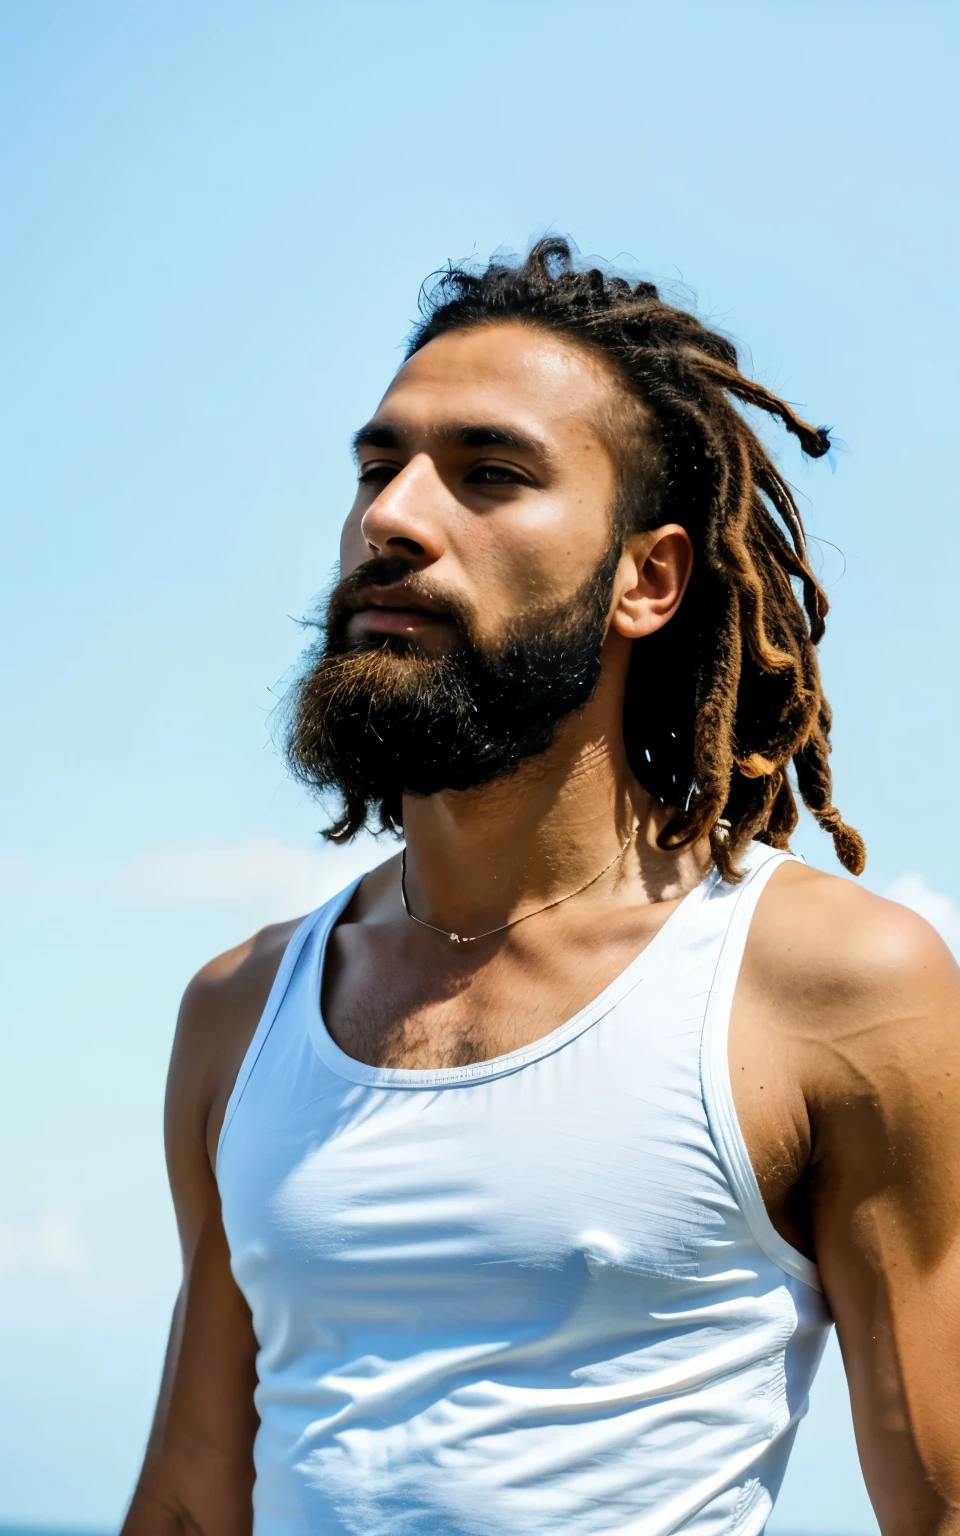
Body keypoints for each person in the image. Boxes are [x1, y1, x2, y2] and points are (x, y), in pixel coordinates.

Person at [123, 240, 960, 1536]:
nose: (391, 518)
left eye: (490, 475)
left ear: (649, 578)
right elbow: (188, 1500)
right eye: (375, 467)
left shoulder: (832, 986)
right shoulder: (242, 1009)